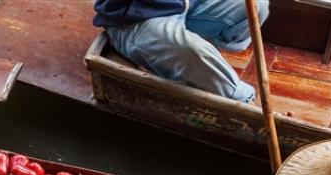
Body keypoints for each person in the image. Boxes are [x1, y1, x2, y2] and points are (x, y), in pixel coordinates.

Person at [93, 0, 269, 103]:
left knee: (257, 5)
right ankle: (242, 99)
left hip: (184, 5)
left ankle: (193, 57)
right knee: (194, 52)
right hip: (136, 17)